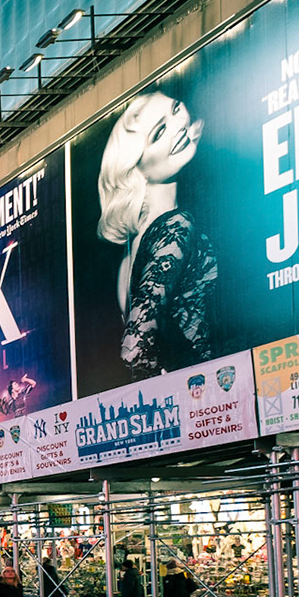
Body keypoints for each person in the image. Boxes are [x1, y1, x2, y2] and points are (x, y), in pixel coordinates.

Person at [97, 90, 217, 381]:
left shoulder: (133, 253)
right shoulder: (175, 227)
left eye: (176, 109)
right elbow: (134, 350)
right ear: (133, 168)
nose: (178, 128)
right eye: (159, 132)